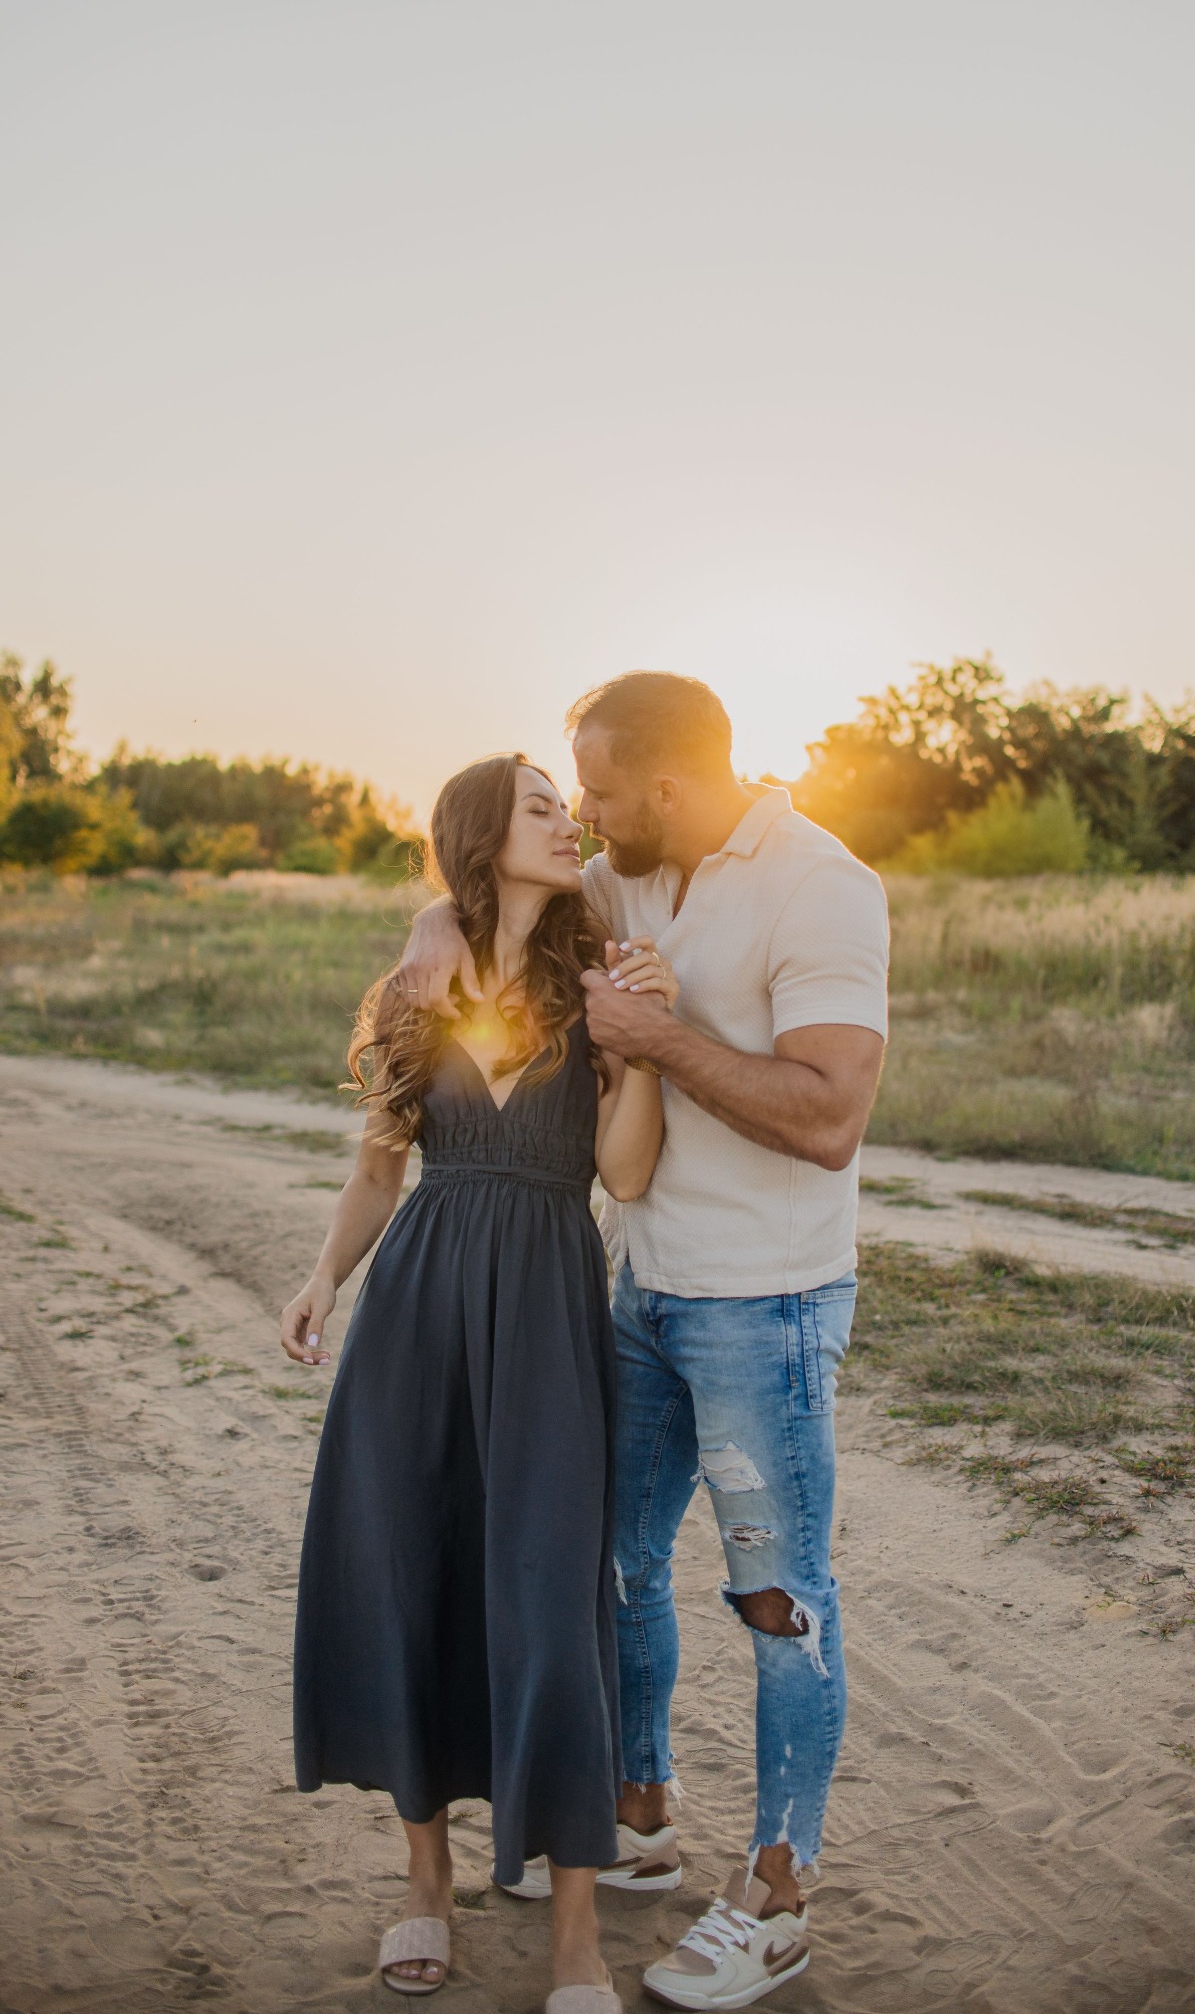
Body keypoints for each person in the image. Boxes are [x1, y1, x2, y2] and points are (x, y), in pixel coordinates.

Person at [398, 673, 889, 2009]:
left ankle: (777, 1898)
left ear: (662, 789)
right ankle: (641, 1814)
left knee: (777, 1601)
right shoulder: (634, 875)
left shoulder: (822, 887)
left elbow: (829, 1117)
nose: (587, 816)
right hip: (641, 1296)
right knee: (607, 1565)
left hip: (764, 1308)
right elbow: (503, 894)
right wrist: (437, 924)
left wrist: (658, 1040)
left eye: (600, 794)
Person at [281, 753, 677, 2010]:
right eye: (542, 808)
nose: (570, 824)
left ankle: (575, 1940)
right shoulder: (422, 977)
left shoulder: (601, 980)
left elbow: (623, 1175)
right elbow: (379, 1169)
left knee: (554, 1607)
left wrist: (651, 1045)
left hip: (551, 1318)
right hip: (419, 1310)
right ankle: (427, 1886)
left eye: (570, 804)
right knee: (415, 1578)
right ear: (477, 837)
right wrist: (323, 1278)